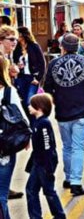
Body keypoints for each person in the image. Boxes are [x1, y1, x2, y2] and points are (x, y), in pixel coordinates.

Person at [44, 33, 84, 196]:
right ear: (77, 47)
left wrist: (56, 101)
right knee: (78, 148)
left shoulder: (53, 64)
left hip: (62, 113)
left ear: (62, 47)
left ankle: (69, 178)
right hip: (82, 111)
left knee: (67, 147)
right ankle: (76, 182)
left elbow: (47, 88)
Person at [25, 93, 66, 219]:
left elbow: (47, 146)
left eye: (31, 105)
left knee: (48, 191)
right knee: (31, 190)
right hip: (37, 163)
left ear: (40, 108)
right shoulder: (37, 122)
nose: (28, 107)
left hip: (44, 164)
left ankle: (59, 215)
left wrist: (48, 168)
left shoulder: (43, 124)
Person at [0, 58, 29, 219]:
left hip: (3, 149)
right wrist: (27, 137)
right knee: (1, 195)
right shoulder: (9, 92)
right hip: (4, 148)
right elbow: (21, 118)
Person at [12, 27, 46, 117]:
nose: (15, 37)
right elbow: (14, 62)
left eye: (17, 34)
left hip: (32, 78)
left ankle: (35, 122)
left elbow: (42, 63)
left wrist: (39, 79)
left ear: (23, 35)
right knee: (22, 101)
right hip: (21, 78)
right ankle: (28, 125)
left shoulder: (34, 46)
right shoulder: (16, 48)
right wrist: (17, 65)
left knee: (29, 102)